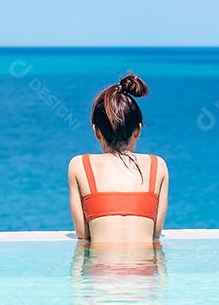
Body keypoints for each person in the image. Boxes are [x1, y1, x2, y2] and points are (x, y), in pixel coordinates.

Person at [68, 73, 168, 244]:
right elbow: (155, 233)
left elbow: (83, 234)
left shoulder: (79, 165)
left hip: (102, 269)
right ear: (137, 131)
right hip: (145, 268)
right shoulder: (157, 165)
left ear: (96, 131)